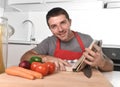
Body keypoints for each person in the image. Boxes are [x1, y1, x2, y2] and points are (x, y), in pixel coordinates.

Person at [20, 7, 113, 72]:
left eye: (63, 23)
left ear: (70, 22)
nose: (60, 29)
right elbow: (24, 57)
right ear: (50, 29)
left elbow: (111, 66)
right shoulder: (49, 42)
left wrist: (102, 63)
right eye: (54, 26)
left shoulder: (86, 40)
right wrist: (46, 58)